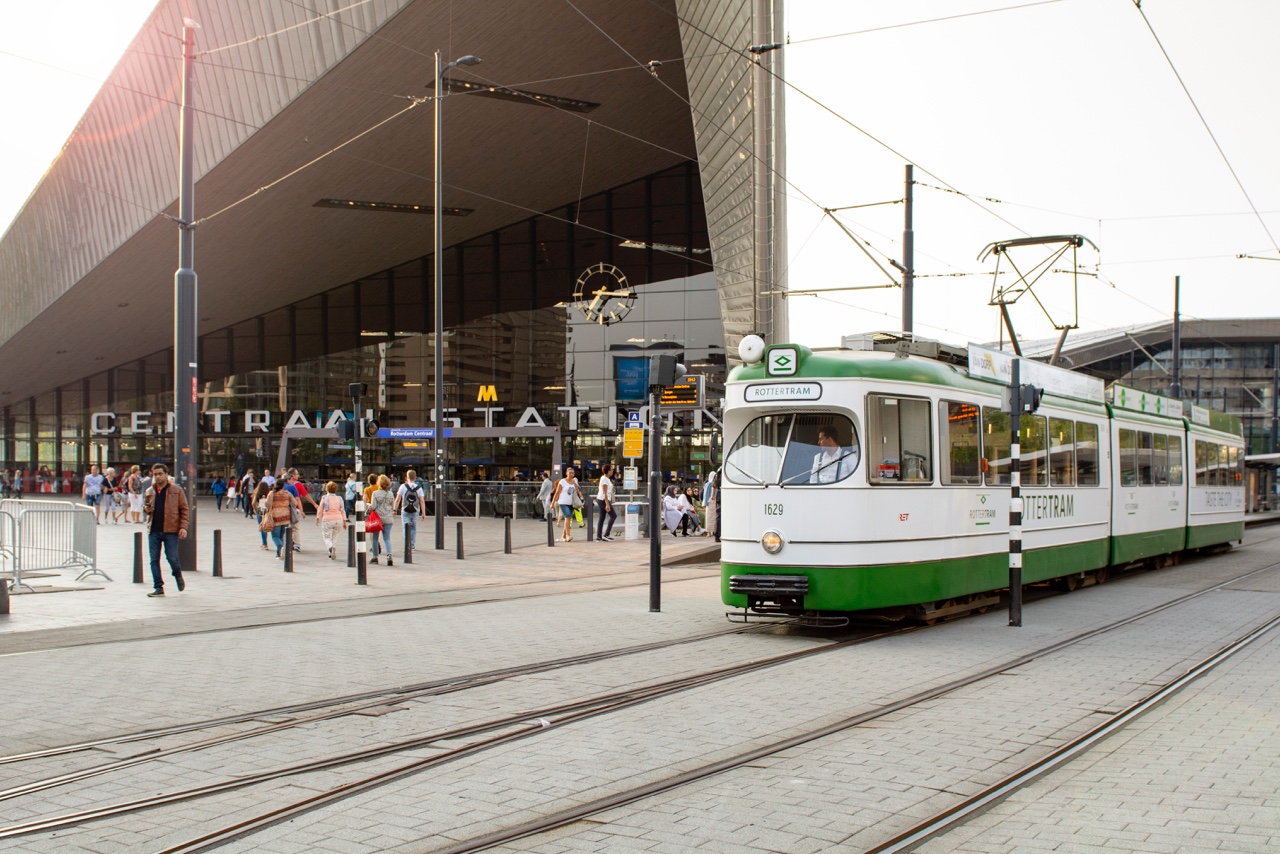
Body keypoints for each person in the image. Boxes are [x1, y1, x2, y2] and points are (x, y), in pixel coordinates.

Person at [142, 464, 188, 597]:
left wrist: (183, 527)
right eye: (155, 474)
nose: (157, 477)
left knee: (172, 558)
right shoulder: (150, 491)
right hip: (154, 530)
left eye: (160, 474)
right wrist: (146, 509)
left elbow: (184, 509)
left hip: (171, 530)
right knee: (154, 559)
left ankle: (177, 574)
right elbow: (146, 507)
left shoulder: (176, 490)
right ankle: (158, 587)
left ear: (166, 475)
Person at [393, 469, 426, 552]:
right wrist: (423, 513)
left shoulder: (403, 486)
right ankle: (412, 546)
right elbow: (422, 501)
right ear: (415, 477)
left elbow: (397, 499)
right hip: (415, 510)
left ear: (407, 477)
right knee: (413, 527)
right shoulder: (419, 488)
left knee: (405, 527)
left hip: (405, 509)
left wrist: (394, 509)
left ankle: (407, 545)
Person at [315, 481, 348, 560]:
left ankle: (330, 546)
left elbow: (320, 509)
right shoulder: (339, 498)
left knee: (326, 536)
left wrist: (318, 518)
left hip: (327, 519)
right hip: (338, 519)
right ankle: (332, 550)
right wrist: (344, 521)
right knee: (335, 536)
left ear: (327, 489)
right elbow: (342, 510)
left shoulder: (324, 498)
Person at [368, 475, 396, 565]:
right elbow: (393, 506)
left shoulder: (375, 493)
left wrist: (368, 505)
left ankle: (375, 557)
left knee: (375, 538)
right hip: (388, 518)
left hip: (378, 519)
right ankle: (389, 555)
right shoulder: (390, 494)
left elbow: (373, 506)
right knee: (387, 538)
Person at [550, 467, 582, 542]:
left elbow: (576, 492)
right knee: (568, 516)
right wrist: (552, 503)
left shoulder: (574, 482)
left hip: (571, 503)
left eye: (573, 473)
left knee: (568, 518)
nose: (571, 474)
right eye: (570, 473)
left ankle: (563, 536)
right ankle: (568, 535)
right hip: (563, 502)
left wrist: (577, 487)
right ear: (566, 473)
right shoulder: (562, 481)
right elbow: (557, 493)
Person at [595, 463, 616, 542]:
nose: (612, 471)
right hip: (603, 500)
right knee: (613, 515)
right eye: (611, 470)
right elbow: (605, 492)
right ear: (608, 471)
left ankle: (599, 536)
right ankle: (606, 534)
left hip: (601, 499)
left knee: (602, 518)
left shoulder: (606, 479)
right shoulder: (604, 479)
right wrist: (607, 504)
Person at [251, 479, 272, 550]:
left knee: (262, 527)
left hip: (260, 511)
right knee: (268, 525)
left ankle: (264, 543)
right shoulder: (269, 494)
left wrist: (255, 509)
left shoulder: (257, 494)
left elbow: (253, 503)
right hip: (267, 511)